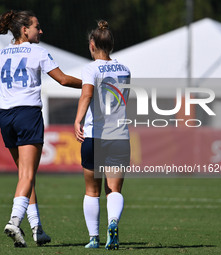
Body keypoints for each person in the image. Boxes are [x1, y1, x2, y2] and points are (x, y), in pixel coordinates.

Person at [0, 10, 81, 248]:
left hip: (7, 118)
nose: (40, 31)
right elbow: (62, 80)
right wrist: (89, 85)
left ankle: (37, 228)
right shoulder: (38, 52)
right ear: (25, 30)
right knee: (28, 175)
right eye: (37, 26)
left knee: (25, 175)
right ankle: (14, 221)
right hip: (28, 114)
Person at [74, 20, 131, 250]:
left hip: (94, 135)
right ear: (112, 44)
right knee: (114, 190)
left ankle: (93, 238)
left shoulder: (90, 69)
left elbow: (87, 95)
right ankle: (113, 223)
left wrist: (77, 119)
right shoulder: (125, 69)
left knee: (92, 190)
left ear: (92, 45)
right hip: (119, 136)